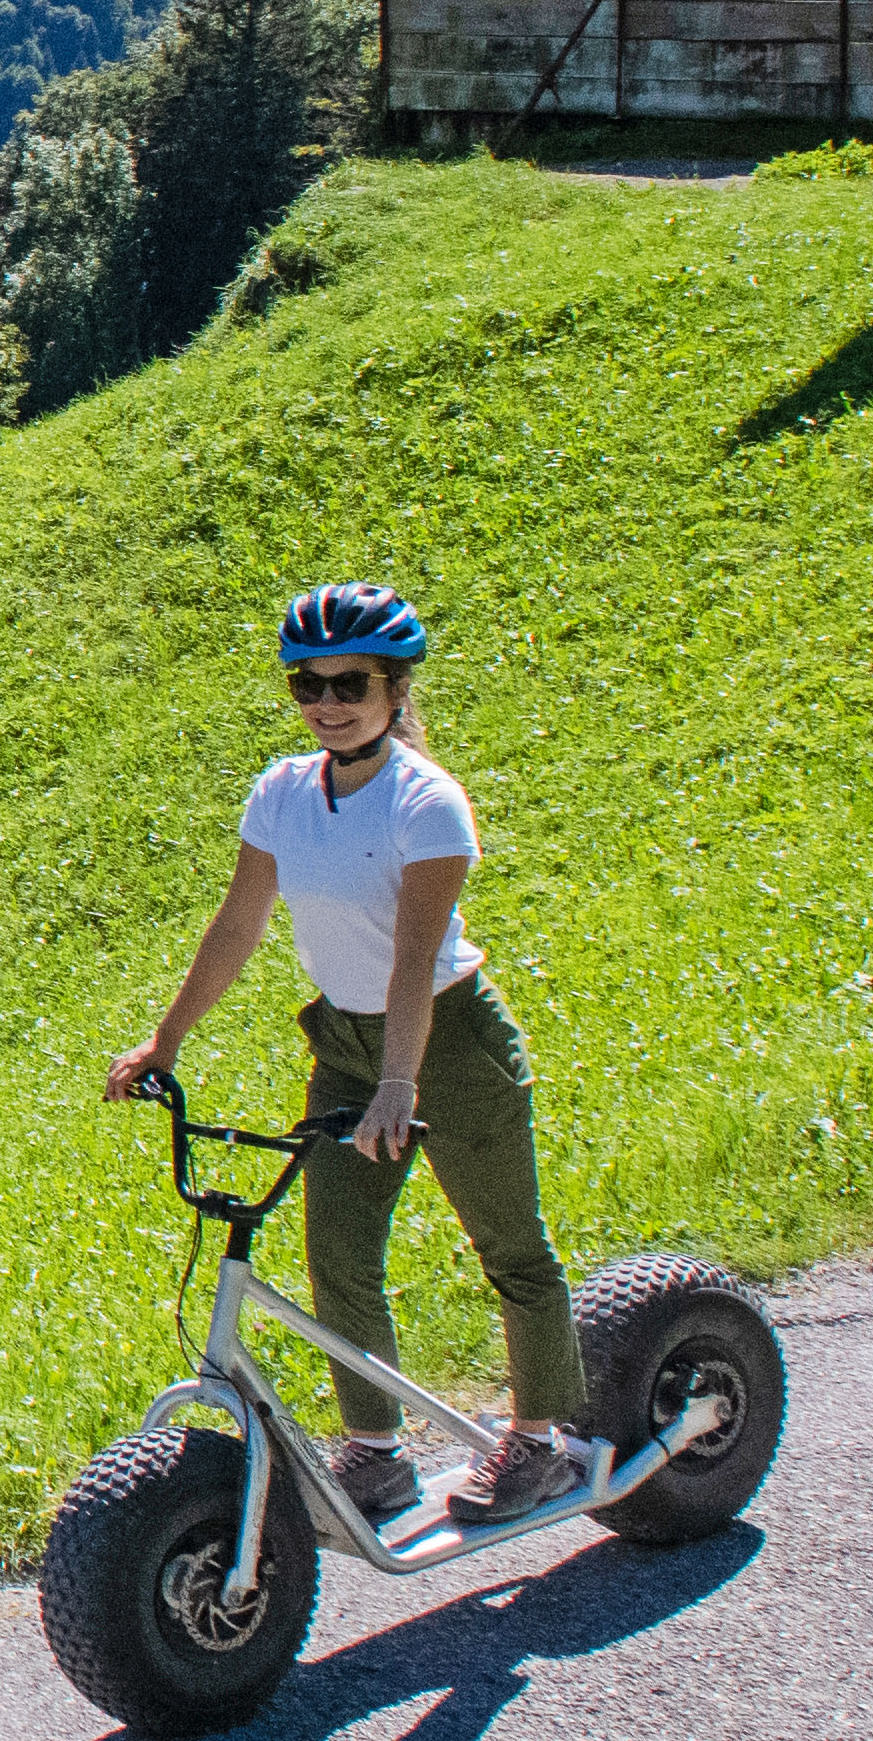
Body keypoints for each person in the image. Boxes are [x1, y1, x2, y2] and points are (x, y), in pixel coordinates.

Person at [107, 579, 584, 1526]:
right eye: (307, 686)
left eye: (350, 685)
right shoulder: (282, 794)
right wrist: (166, 1039)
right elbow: (237, 924)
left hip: (448, 1042)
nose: (327, 703)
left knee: (510, 1247)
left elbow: (414, 960)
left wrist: (400, 1084)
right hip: (345, 1042)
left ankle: (541, 1443)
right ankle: (377, 1454)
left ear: (395, 689)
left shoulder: (428, 805)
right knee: (338, 1256)